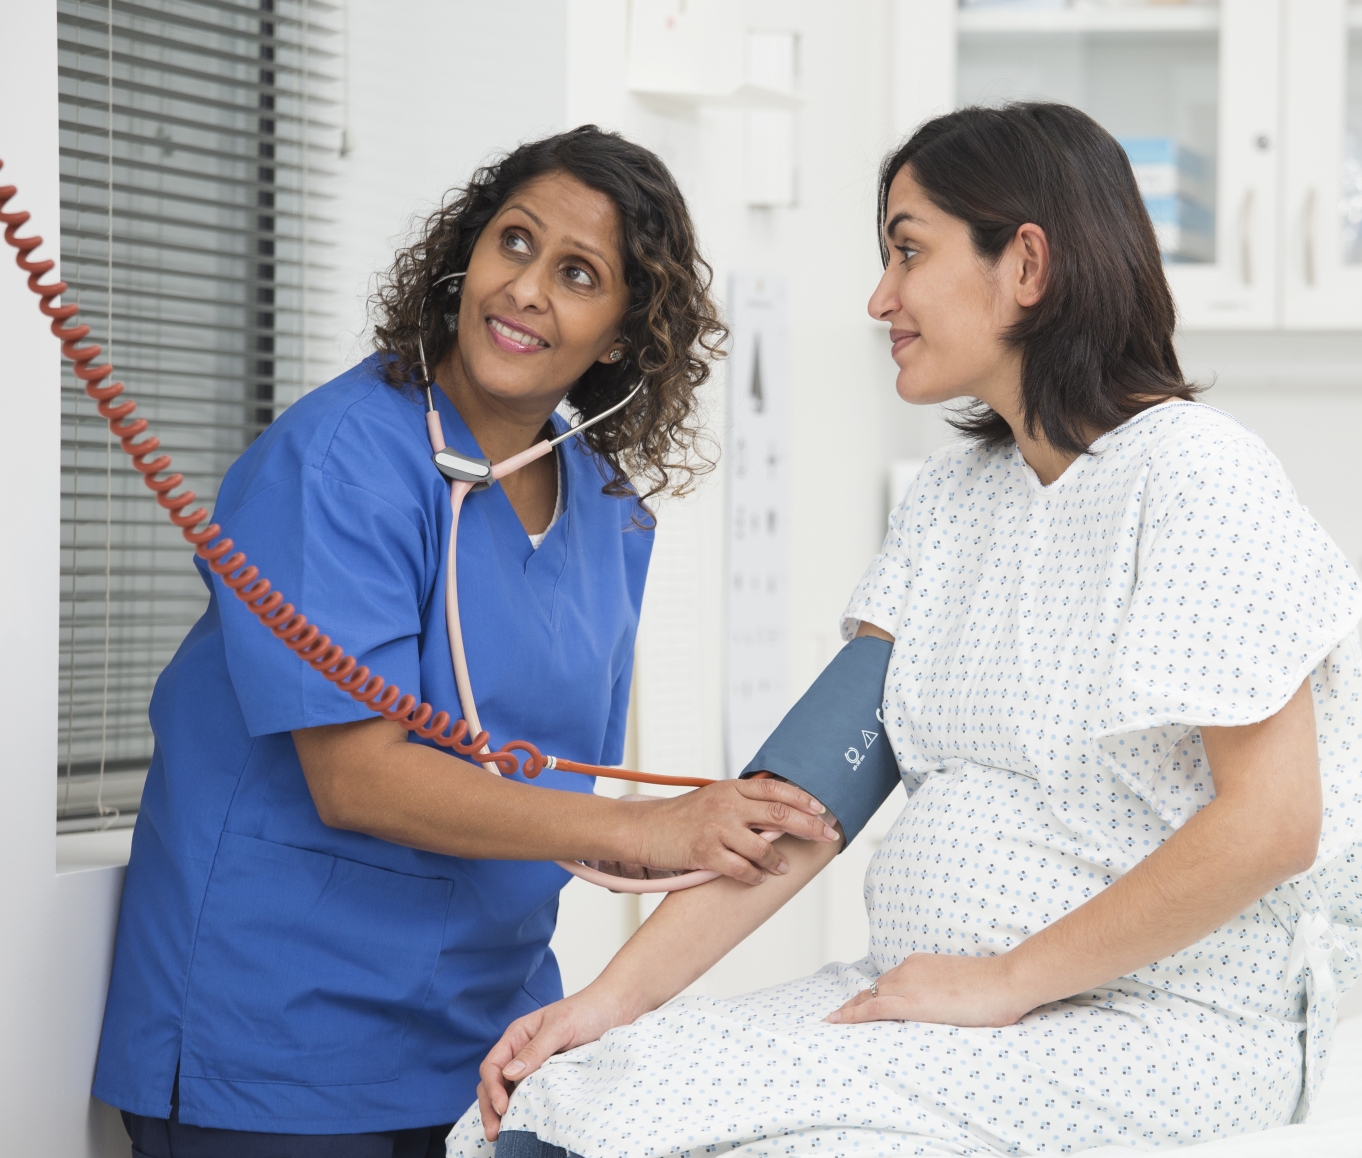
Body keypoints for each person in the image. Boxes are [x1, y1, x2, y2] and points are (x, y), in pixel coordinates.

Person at [450, 104, 1362, 1158]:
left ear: (1027, 265)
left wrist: (1007, 982)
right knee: (567, 1098)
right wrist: (606, 1003)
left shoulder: (1194, 474)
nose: (881, 298)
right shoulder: (954, 500)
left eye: (908, 252)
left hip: (1160, 1023)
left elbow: (1272, 824)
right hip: (943, 1005)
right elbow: (802, 804)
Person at [91, 126, 838, 1157]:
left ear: (621, 338)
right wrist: (645, 830)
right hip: (275, 1031)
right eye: (514, 242)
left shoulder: (608, 512)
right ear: (464, 258)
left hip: (487, 1030)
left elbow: (548, 777)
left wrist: (698, 838)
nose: (526, 288)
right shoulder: (338, 461)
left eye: (578, 274)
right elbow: (357, 779)